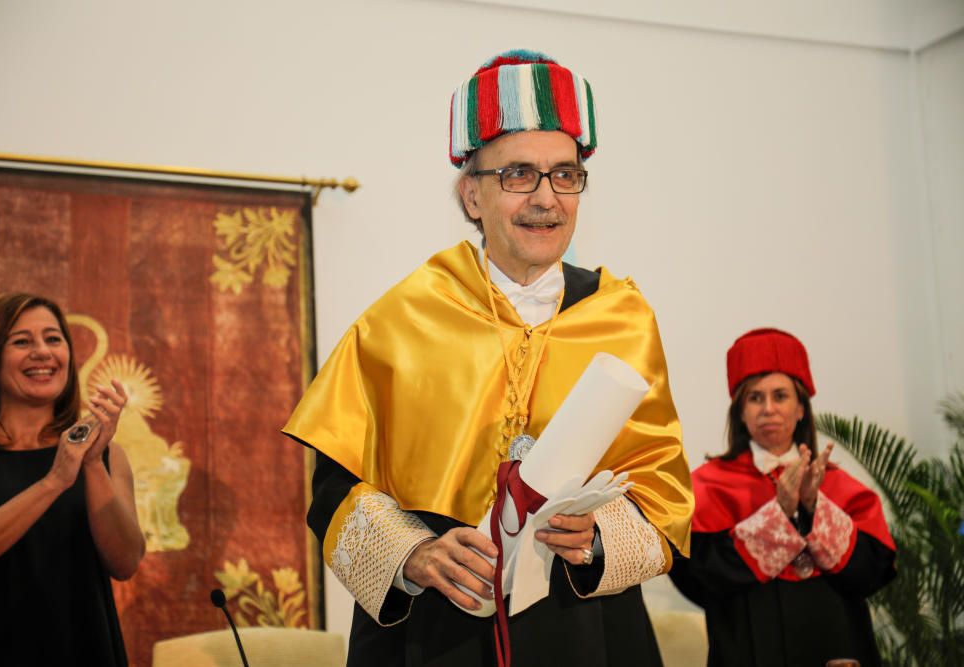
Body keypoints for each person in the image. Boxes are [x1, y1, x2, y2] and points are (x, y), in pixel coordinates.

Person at [283, 50, 693, 666]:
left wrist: (599, 540)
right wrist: (412, 555)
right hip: (439, 628)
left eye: (565, 174)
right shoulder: (405, 317)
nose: (546, 199)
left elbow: (664, 493)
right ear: (471, 195)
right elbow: (334, 486)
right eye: (518, 174)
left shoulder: (623, 316)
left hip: (586, 628)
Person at [669, 328, 897, 667]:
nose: (768, 409)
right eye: (755, 397)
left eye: (780, 395)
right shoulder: (708, 486)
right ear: (741, 412)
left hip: (837, 648)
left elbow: (870, 574)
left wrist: (813, 508)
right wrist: (779, 513)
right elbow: (696, 580)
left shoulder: (838, 485)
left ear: (801, 408)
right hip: (746, 651)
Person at [0, 293, 144, 666]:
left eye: (53, 339)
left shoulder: (108, 456)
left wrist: (92, 463)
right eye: (22, 342)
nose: (42, 352)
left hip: (83, 649)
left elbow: (125, 562)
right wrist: (55, 480)